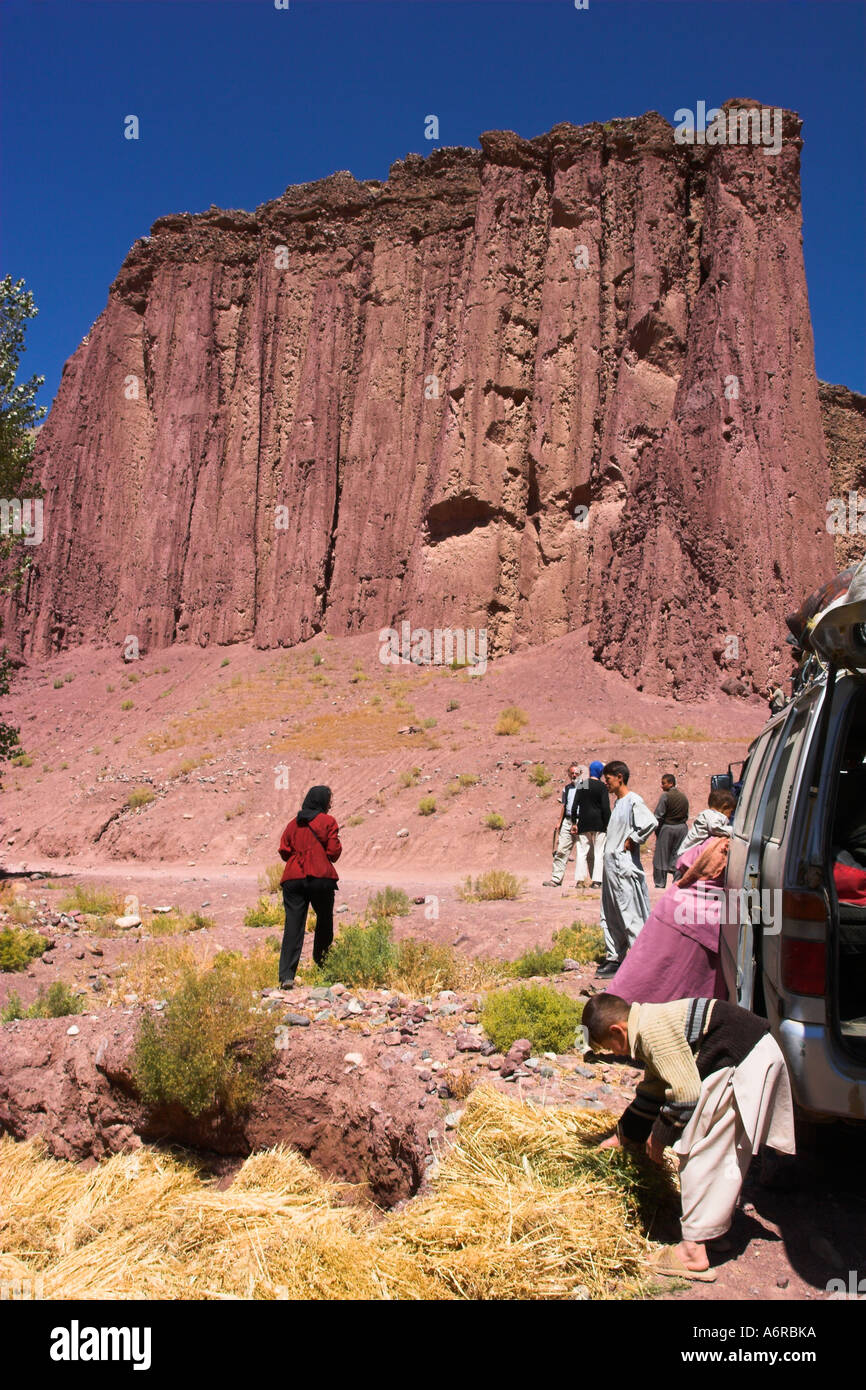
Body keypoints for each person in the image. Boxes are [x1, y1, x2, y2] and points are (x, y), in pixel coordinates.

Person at [583, 991, 795, 1281]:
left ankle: (692, 1251)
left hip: (742, 1058)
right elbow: (655, 1088)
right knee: (720, 1152)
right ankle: (711, 1233)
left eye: (610, 1047)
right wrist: (624, 1134)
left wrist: (658, 1138)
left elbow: (684, 1095)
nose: (614, 1054)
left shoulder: (652, 1033)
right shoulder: (646, 1023)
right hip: (747, 1054)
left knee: (697, 1148)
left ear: (616, 1031)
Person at [610, 836, 730, 1003]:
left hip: (622, 1009)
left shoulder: (678, 894)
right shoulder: (718, 904)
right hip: (658, 1017)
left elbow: (683, 860)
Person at [277, 784, 342, 988]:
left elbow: (284, 851)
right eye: (329, 800)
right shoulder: (328, 821)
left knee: (293, 925)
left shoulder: (292, 824)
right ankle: (323, 966)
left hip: (293, 878)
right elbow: (333, 853)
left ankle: (287, 976)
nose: (330, 804)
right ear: (323, 802)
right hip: (320, 877)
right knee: (324, 922)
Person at [597, 761, 657, 978]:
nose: (607, 783)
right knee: (610, 912)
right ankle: (615, 956)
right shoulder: (619, 803)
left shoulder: (633, 800)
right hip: (611, 866)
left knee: (629, 910)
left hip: (622, 866)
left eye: (609, 779)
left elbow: (650, 822)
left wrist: (634, 838)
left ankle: (642, 959)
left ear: (619, 776)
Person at [543, 762, 587, 887]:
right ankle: (556, 878)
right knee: (562, 849)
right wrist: (559, 822)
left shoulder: (584, 787)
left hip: (581, 821)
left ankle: (582, 880)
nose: (574, 775)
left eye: (576, 773)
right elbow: (564, 805)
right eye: (572, 773)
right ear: (568, 774)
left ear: (580, 774)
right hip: (568, 821)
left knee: (582, 851)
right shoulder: (566, 789)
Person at [571, 759, 610, 887]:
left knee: (582, 852)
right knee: (599, 852)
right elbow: (605, 807)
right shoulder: (603, 787)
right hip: (599, 823)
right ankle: (597, 881)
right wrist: (608, 823)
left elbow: (574, 805)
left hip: (584, 822)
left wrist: (574, 822)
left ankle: (580, 881)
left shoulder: (582, 784)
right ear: (600, 772)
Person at [652, 774, 689, 889]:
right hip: (682, 829)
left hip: (668, 828)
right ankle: (677, 882)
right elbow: (686, 815)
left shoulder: (665, 796)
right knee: (678, 855)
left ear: (671, 783)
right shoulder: (683, 797)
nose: (661, 786)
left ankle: (660, 883)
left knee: (660, 857)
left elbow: (658, 815)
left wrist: (656, 829)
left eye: (664, 783)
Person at [679, 788, 736, 855]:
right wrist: (734, 831)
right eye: (731, 811)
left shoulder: (708, 814)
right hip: (688, 853)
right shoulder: (712, 815)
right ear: (725, 807)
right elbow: (715, 828)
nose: (730, 815)